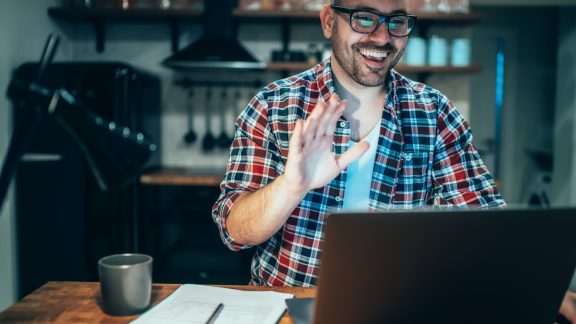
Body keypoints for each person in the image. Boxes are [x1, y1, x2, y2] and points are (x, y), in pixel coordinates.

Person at [212, 0, 575, 321]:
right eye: (364, 18)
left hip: (397, 309)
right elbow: (234, 232)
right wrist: (292, 186)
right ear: (328, 21)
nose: (383, 37)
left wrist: (539, 284)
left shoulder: (434, 113)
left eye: (396, 21)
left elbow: (486, 221)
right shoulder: (274, 105)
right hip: (288, 305)